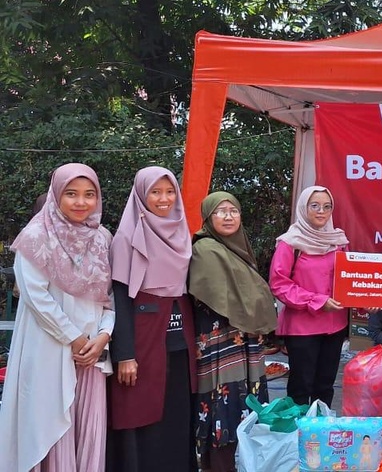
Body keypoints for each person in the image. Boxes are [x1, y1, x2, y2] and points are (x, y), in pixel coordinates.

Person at [0, 163, 114, 471]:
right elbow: (37, 297)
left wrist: (102, 337)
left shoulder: (102, 238)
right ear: (56, 195)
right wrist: (75, 338)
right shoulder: (35, 237)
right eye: (71, 194)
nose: (81, 202)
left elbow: (110, 297)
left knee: (86, 429)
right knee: (48, 426)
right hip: (50, 349)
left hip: (91, 354)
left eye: (89, 195)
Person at [107, 167, 197, 472]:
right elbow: (119, 297)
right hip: (142, 339)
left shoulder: (182, 232)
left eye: (169, 191)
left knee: (176, 412)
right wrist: (125, 354)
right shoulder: (127, 237)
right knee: (140, 410)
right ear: (141, 195)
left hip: (179, 340)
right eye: (155, 192)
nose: (164, 199)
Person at [189, 191, 278, 472]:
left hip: (244, 341)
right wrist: (254, 310)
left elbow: (250, 294)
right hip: (220, 342)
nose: (228, 216)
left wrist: (254, 311)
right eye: (220, 211)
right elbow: (216, 296)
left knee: (244, 410)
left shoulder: (238, 248)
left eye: (234, 211)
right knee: (221, 411)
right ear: (208, 217)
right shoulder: (205, 249)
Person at [269, 185, 348, 407]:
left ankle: (321, 435)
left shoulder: (339, 242)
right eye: (314, 206)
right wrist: (318, 301)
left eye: (326, 206)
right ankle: (297, 437)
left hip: (334, 326)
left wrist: (367, 300)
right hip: (302, 328)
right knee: (301, 387)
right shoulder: (290, 243)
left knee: (325, 386)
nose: (321, 211)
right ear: (304, 208)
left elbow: (350, 279)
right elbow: (279, 284)